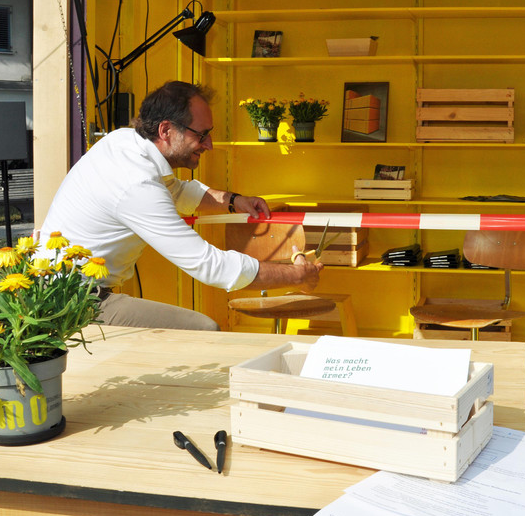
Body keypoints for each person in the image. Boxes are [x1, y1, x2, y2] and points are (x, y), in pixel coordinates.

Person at [39, 80, 322, 330]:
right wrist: (297, 275)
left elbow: (176, 191)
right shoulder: (137, 183)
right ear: (166, 130)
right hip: (67, 304)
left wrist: (234, 201)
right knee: (203, 330)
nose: (209, 145)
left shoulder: (126, 142)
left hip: (60, 290)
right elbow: (208, 265)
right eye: (201, 134)